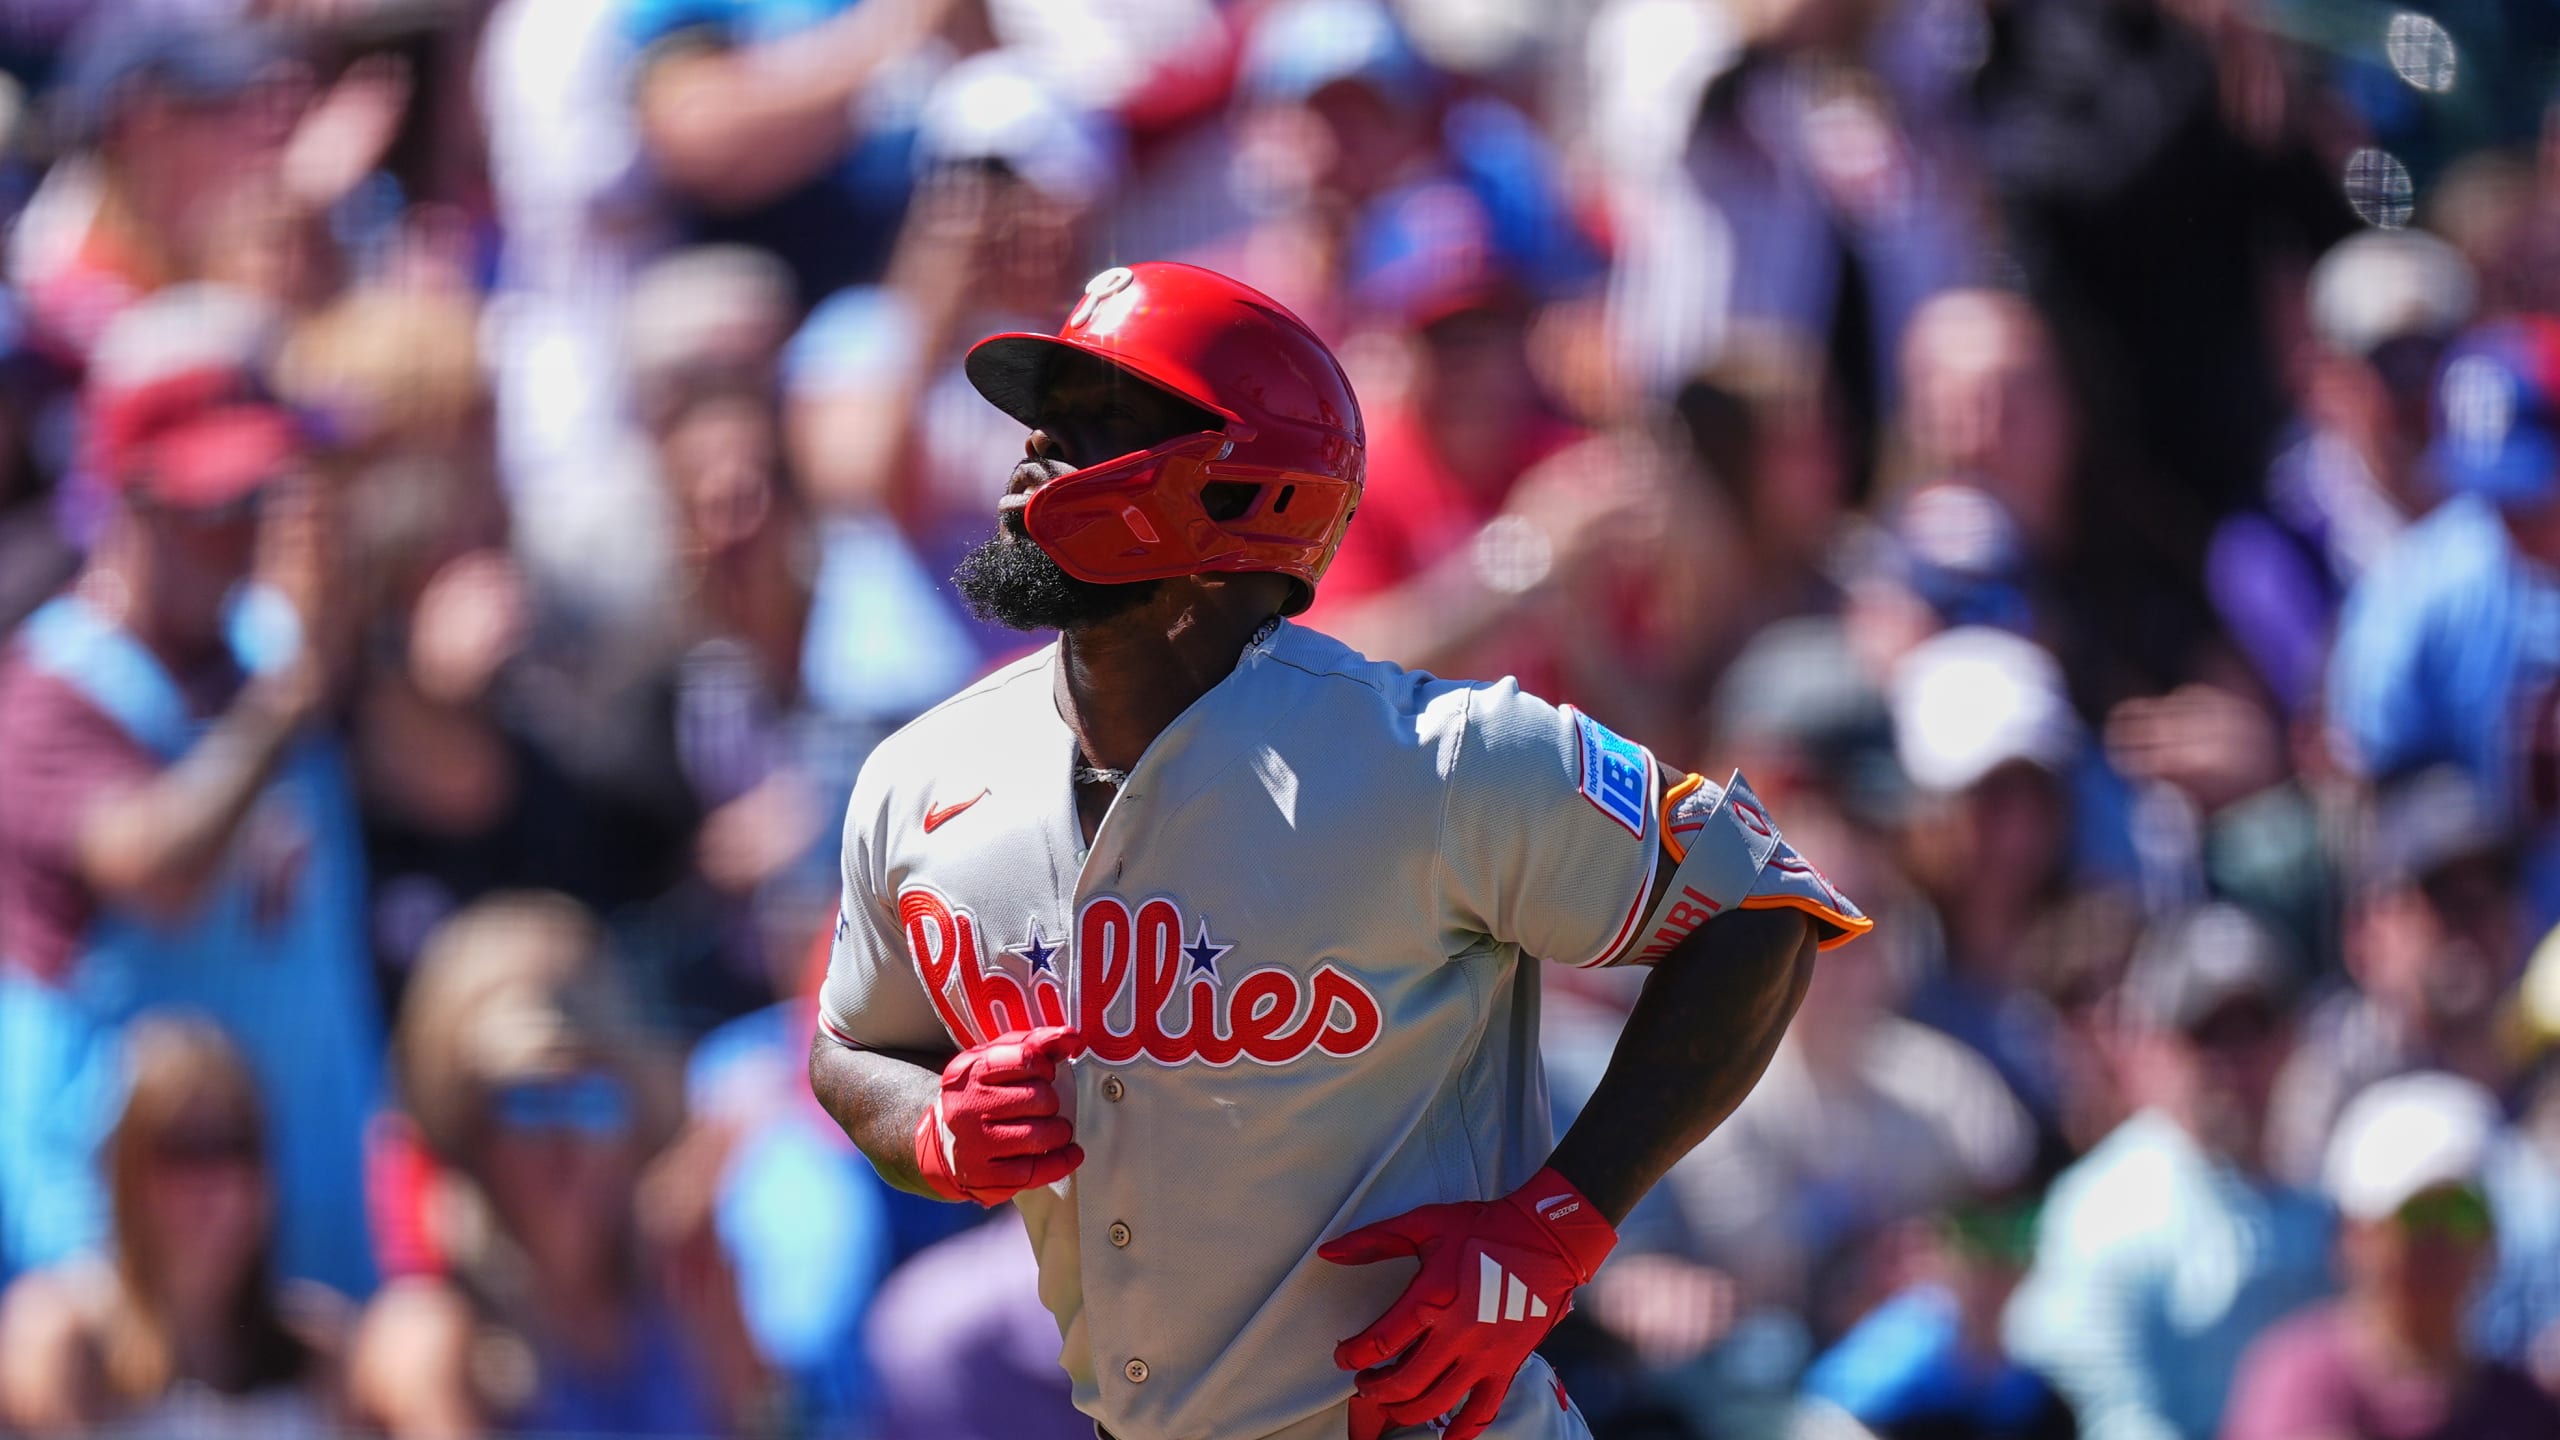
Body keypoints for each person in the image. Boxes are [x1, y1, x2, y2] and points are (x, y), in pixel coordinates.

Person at [808, 259, 1872, 1440]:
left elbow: (1758, 904)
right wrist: (927, 1124)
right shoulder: (919, 777)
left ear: (1244, 491)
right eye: (1042, 420)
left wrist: (1559, 1226)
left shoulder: (1440, 758)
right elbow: (851, 1048)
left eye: (1097, 420)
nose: (1035, 454)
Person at [0, 285, 379, 1296]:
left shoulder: (276, 641)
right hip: (117, 1278)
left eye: (270, 499)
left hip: (311, 1245)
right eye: (225, 503)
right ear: (132, 500)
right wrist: (289, 699)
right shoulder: (53, 689)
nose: (250, 533)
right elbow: (158, 869)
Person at [348, 892, 768, 1438]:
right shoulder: (430, 1340)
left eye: (592, 1101)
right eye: (529, 1104)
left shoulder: (689, 1295)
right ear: (471, 1131)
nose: (566, 1144)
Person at [2004, 903, 2334, 1440]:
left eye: (2252, 1030)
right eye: (2208, 1035)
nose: (2232, 1062)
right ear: (2154, 1044)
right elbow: (2101, 1412)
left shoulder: (2326, 1196)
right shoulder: (2104, 1210)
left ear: (2290, 1040)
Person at [0, 1014, 346, 1438]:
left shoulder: (318, 1348)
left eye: (236, 1146)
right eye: (184, 1150)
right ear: (125, 1171)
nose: (216, 1180)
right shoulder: (64, 1333)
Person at [2327, 315, 2560, 933]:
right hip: (2490, 939)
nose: (2511, 514)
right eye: (2492, 489)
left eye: (2532, 490)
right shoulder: (2416, 594)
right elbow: (2371, 791)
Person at [2224, 1072, 2560, 1440]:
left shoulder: (2526, 1408)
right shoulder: (2298, 1385)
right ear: (2356, 1234)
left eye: (2464, 1212)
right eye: (2418, 1216)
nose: (2441, 1241)